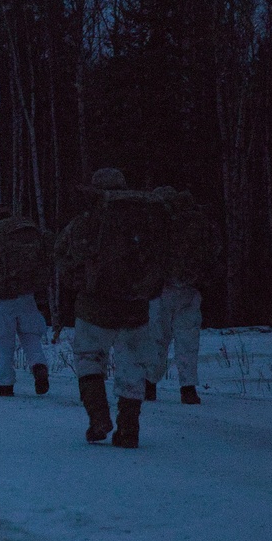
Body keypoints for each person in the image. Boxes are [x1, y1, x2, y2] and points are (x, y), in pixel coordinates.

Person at [56, 168, 169, 448]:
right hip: (136, 306)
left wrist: (77, 284)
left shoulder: (87, 220)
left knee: (89, 358)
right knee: (133, 365)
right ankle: (129, 428)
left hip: (95, 305)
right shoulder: (147, 219)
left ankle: (98, 418)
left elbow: (65, 257)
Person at [146, 187, 221, 405]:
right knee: (188, 340)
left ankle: (149, 384)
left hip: (162, 289)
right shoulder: (201, 223)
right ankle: (188, 388)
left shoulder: (158, 222)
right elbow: (214, 253)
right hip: (191, 289)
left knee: (157, 338)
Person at [0, 205, 53, 397]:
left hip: (2, 296)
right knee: (31, 337)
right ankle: (39, 366)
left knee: (2, 342)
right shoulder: (28, 230)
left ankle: (5, 383)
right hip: (28, 294)